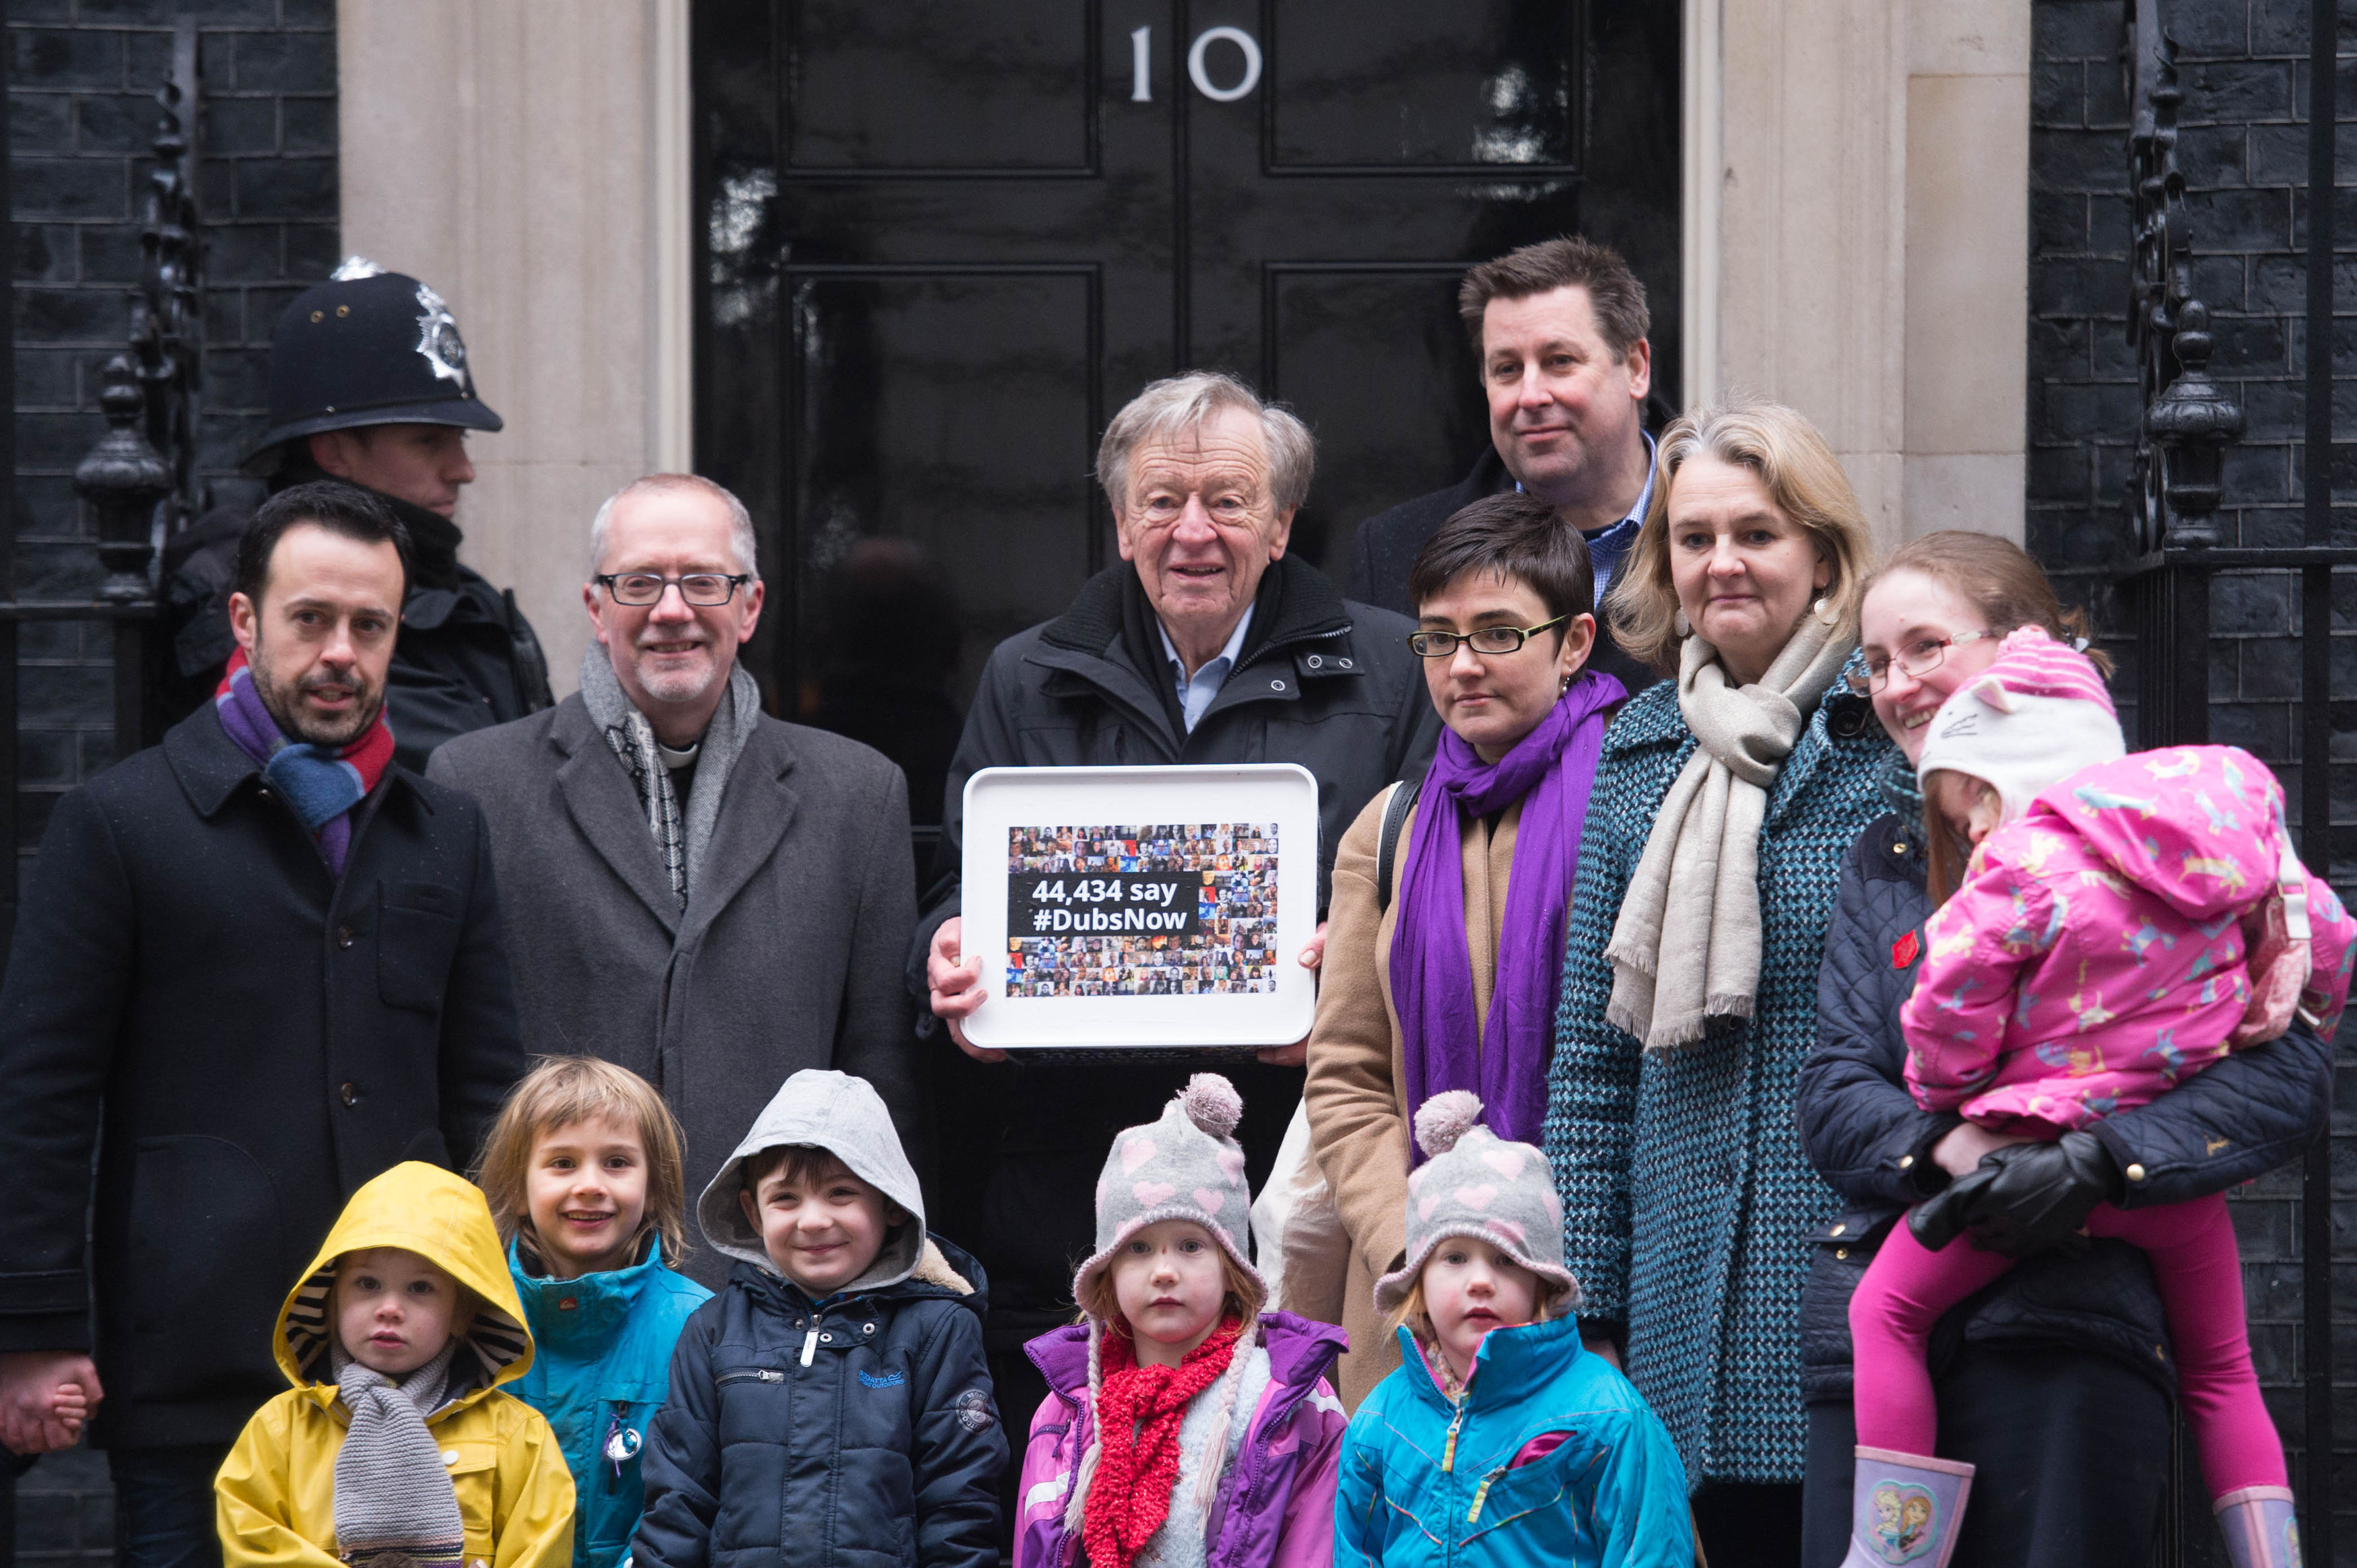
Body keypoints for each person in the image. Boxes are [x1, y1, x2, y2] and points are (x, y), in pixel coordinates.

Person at [914, 371, 1437, 1474]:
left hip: (1293, 1176)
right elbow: (967, 882)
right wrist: (955, 948)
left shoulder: (1394, 671)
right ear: (1120, 521)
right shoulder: (1027, 673)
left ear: (1285, 521)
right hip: (1073, 1184)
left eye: (1229, 499)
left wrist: (1350, 978)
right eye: (1161, 501)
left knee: (1278, 1497)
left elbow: (1435, 897)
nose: (1192, 529)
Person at [0, 481, 526, 1568]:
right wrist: (35, 1326)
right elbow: (40, 1093)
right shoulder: (119, 822)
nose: (341, 650)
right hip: (197, 1370)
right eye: (311, 619)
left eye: (369, 625)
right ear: (246, 623)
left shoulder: (449, 834)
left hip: (417, 1374)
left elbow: (488, 1097)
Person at [1793, 532, 2339, 1568]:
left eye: (1925, 647)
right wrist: (1954, 1154)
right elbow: (1832, 1087)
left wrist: (2097, 1159)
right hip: (1892, 1329)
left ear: (2023, 651)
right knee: (2224, 1370)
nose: (1898, 685)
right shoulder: (1888, 854)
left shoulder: (2186, 832)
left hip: (2074, 1328)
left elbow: (2292, 1075)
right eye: (1875, 661)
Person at [1543, 397, 1889, 1566]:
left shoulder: (1898, 741)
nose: (1722, 561)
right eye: (1694, 537)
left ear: (1824, 553)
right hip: (1682, 1311)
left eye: (1758, 531)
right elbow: (1592, 1066)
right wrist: (1591, 1320)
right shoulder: (1638, 753)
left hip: (1862, 1281)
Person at [429, 473, 920, 1283]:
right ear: (596, 607)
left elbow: (881, 1075)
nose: (671, 609)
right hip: (549, 1302)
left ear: (750, 606)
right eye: (639, 582)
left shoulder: (858, 796)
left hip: (777, 1298)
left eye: (702, 580)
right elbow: (455, 1065)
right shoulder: (477, 783)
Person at [1303, 492, 1625, 1406]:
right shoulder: (1388, 828)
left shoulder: (1636, 799)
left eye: (1498, 633)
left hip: (1592, 1309)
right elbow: (1347, 1073)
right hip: (1417, 1320)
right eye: (1439, 637)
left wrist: (1566, 1260)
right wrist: (1420, 1249)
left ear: (1573, 642)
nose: (1464, 665)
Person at [160, 257, 552, 771]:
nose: (463, 469)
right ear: (335, 452)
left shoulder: (471, 602)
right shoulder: (236, 595)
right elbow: (477, 779)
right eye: (429, 441)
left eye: (459, 441)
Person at [634, 1070, 1004, 1568]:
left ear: (890, 1203)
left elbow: (959, 1501)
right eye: (785, 1197)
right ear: (753, 1209)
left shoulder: (937, 1328)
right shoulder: (714, 1330)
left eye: (840, 1193)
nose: (812, 1219)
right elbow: (677, 1498)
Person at [1334, 1092, 1690, 1567]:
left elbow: (1650, 1550)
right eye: (1454, 1257)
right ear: (1418, 1281)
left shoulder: (1607, 1415)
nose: (1480, 1280)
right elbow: (1355, 1550)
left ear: (1541, 1280)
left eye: (1506, 1259)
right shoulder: (1380, 1421)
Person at [1011, 1075, 1346, 1568]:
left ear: (1232, 1269)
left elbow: (1315, 1544)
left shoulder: (1288, 1401)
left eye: (1191, 1246)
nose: (1164, 1270)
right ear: (1107, 1272)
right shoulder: (1068, 1407)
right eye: (1139, 1248)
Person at [213, 1161, 575, 1568]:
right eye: (367, 1284)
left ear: (462, 1313)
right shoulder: (280, 1431)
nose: (390, 1309)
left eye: (420, 1288)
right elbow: (253, 1545)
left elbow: (540, 1551)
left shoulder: (517, 1437)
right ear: (331, 1301)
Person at [1342, 238, 1657, 693]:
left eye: (1560, 361)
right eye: (1507, 369)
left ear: (1635, 367)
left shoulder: (1726, 543)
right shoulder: (1395, 550)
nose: (1530, 396)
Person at [474, 1058, 712, 1568]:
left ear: (653, 1190)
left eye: (617, 1162)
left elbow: (702, 1494)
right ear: (518, 1188)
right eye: (562, 1163)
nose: (589, 1184)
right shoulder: (475, 1316)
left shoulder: (700, 1325)